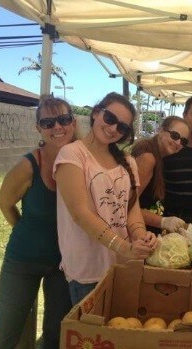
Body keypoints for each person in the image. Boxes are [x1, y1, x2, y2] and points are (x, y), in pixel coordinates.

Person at [54, 92, 157, 305]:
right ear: (96, 113)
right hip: (88, 269)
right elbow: (80, 214)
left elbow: (131, 209)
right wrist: (124, 247)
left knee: (120, 331)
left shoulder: (128, 161)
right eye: (110, 119)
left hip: (122, 265)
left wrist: (140, 236)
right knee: (94, 336)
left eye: (122, 127)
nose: (113, 129)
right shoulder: (71, 154)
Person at [0, 96, 74, 349]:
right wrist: (24, 230)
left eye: (63, 119)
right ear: (39, 128)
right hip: (23, 261)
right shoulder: (28, 166)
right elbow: (4, 202)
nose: (57, 127)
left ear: (73, 122)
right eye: (48, 122)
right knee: (7, 331)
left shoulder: (80, 160)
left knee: (56, 334)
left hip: (63, 264)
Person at [131, 116, 190, 234]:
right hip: (139, 235)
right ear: (161, 131)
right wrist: (162, 221)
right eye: (175, 135)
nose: (178, 143)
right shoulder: (148, 158)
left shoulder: (159, 155)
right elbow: (128, 206)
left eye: (183, 141)